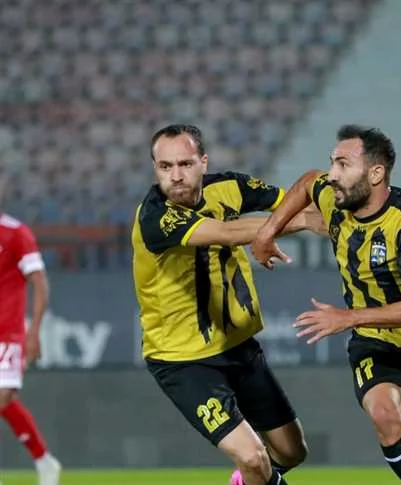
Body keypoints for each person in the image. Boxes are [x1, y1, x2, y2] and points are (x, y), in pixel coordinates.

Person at [251, 124, 401, 485]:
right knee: (384, 415)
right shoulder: (337, 200)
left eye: (343, 165)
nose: (332, 175)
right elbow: (308, 182)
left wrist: (349, 317)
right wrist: (268, 231)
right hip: (375, 339)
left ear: (375, 174)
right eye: (333, 163)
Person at [132, 124, 323, 485]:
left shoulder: (230, 187)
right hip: (182, 359)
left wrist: (333, 207)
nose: (176, 176)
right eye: (165, 166)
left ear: (203, 162)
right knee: (252, 457)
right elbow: (225, 232)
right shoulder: (155, 217)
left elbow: (292, 198)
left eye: (185, 164)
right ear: (155, 168)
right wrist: (302, 222)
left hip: (237, 346)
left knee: (291, 451)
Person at [0, 206, 62, 485]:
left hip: (7, 333)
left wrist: (34, 331)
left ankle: (44, 460)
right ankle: (44, 460)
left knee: (3, 396)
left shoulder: (15, 233)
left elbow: (39, 281)